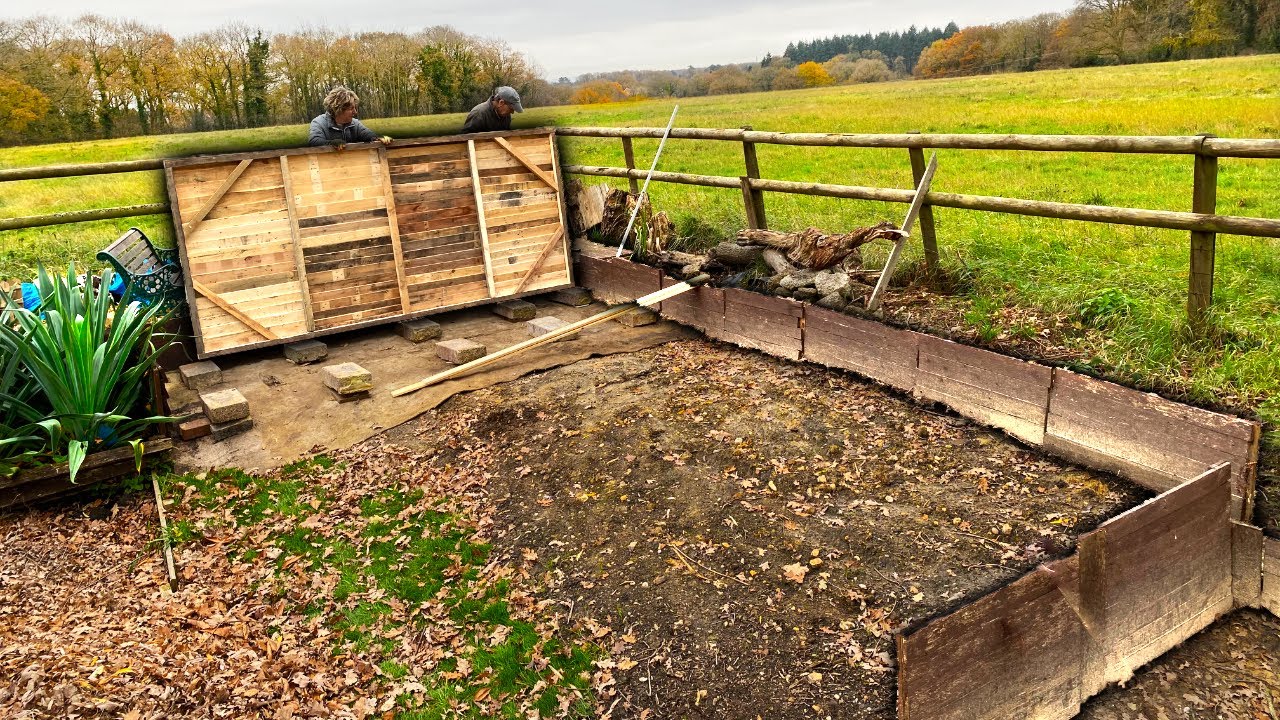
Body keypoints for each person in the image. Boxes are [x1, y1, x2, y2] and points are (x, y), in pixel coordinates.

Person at [308, 85, 391, 147]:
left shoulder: (354, 123)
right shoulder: (318, 123)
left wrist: (378, 138)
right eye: (351, 108)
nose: (355, 112)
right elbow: (314, 141)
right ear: (339, 109)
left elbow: (366, 134)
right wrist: (332, 143)